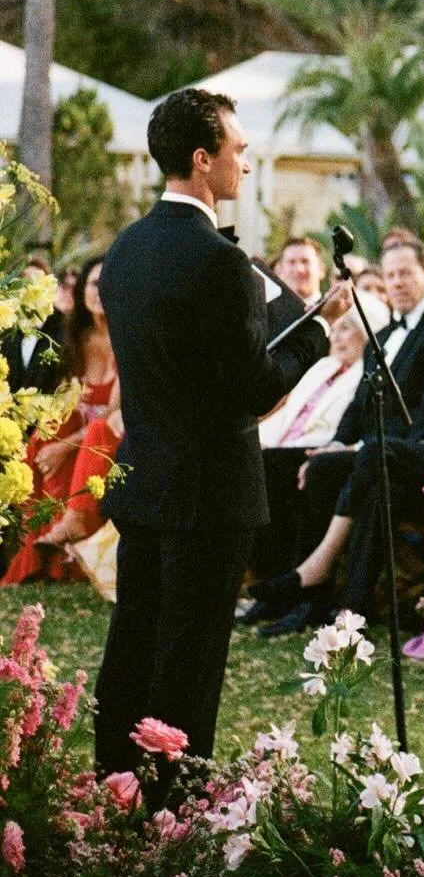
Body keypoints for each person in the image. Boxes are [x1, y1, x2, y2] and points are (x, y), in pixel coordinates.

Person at [93, 89, 349, 784]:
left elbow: (178, 368)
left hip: (143, 478)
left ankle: (111, 779)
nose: (246, 159)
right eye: (237, 149)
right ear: (203, 160)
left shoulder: (125, 251)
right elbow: (257, 387)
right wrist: (319, 333)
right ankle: (173, 802)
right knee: (190, 656)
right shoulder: (220, 261)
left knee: (134, 640)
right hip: (209, 494)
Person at [246, 237, 424, 633]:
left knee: (349, 464)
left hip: (421, 451)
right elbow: (361, 403)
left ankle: (335, 599)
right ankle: (290, 591)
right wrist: (339, 442)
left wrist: (355, 447)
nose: (396, 282)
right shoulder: (392, 330)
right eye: (389, 274)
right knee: (275, 463)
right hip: (373, 449)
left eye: (405, 273)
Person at [2, 253, 117, 588]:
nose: (100, 291)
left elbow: (113, 416)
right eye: (94, 283)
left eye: (107, 283)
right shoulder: (72, 339)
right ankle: (34, 555)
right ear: (82, 290)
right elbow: (60, 402)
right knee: (43, 436)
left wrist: (64, 449)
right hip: (73, 440)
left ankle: (70, 528)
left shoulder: (127, 338)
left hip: (108, 442)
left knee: (91, 431)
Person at [246, 312, 366, 588]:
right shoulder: (323, 367)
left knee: (267, 466)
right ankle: (262, 573)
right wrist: (259, 439)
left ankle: (276, 574)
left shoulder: (363, 372)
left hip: (321, 447)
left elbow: (340, 427)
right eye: (334, 330)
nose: (337, 336)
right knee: (253, 459)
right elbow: (288, 412)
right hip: (285, 445)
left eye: (346, 329)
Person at [1, 256, 65, 395]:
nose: (30, 286)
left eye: (37, 280)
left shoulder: (63, 326)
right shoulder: (6, 327)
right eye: (24, 281)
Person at [272, 235, 327, 306]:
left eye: (305, 261)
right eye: (291, 262)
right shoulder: (266, 314)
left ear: (321, 270)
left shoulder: (335, 313)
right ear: (279, 271)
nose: (299, 269)